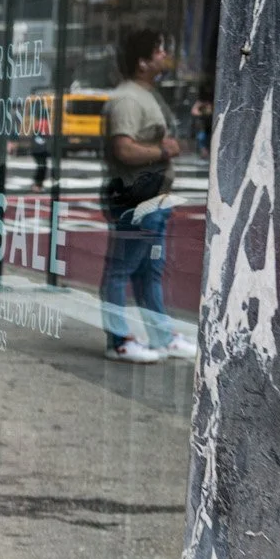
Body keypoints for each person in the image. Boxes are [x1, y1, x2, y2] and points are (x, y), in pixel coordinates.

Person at [101, 28, 193, 363]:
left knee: (149, 271)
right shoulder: (128, 99)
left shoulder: (145, 94)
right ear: (142, 61)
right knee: (123, 269)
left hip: (153, 199)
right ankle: (119, 340)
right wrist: (162, 151)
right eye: (159, 50)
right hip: (136, 198)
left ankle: (160, 336)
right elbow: (123, 148)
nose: (164, 55)